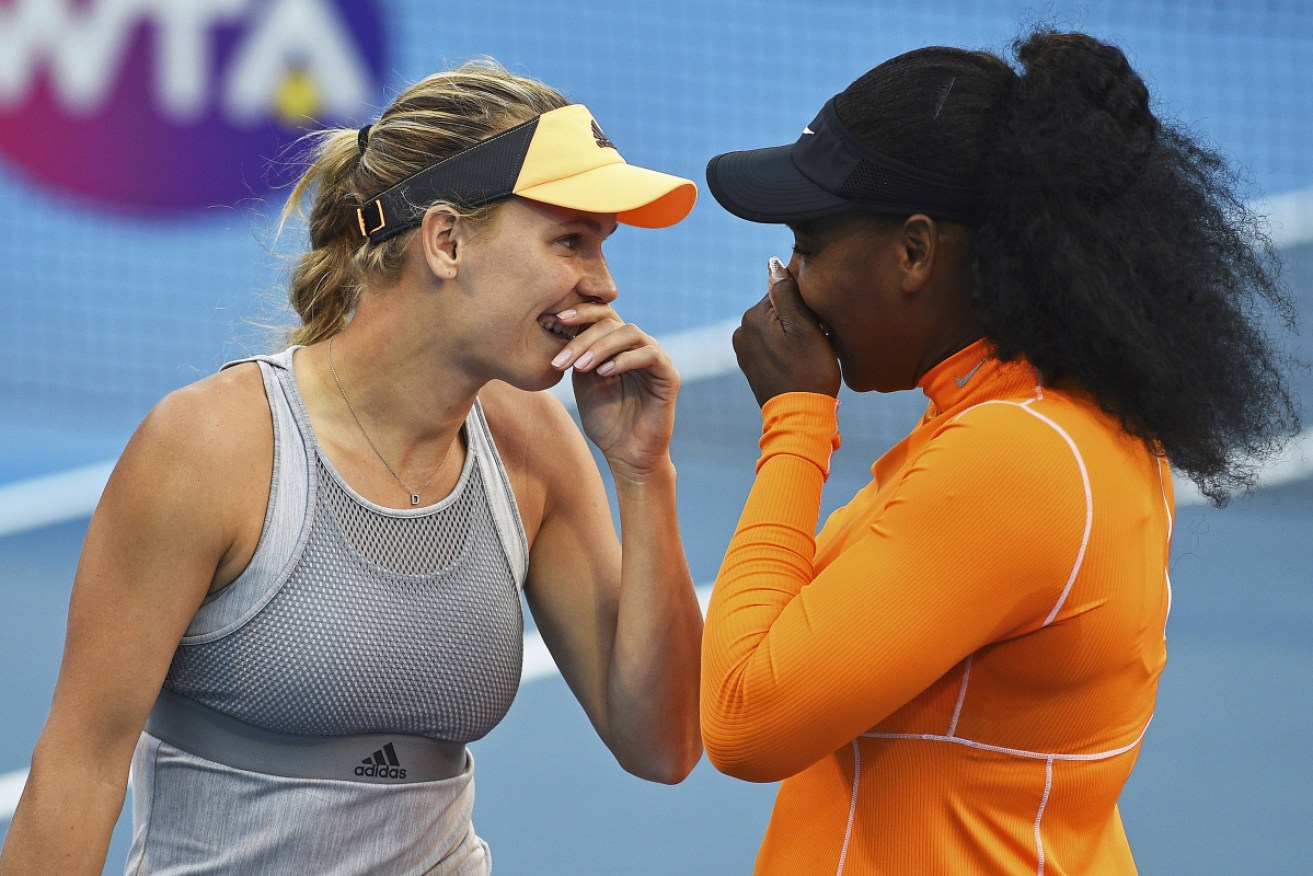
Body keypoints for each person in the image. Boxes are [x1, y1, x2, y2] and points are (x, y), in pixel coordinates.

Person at [0, 61, 704, 875]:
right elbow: (79, 768)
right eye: (569, 241)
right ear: (446, 241)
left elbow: (663, 744)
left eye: (601, 247)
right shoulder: (209, 448)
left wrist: (643, 475)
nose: (603, 284)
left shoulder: (535, 445)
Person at [698, 31, 1298, 875]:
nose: (788, 282)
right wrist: (640, 468)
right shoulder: (1059, 419)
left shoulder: (1013, 461)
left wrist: (795, 420)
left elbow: (742, 718)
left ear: (913, 252)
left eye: (808, 243)